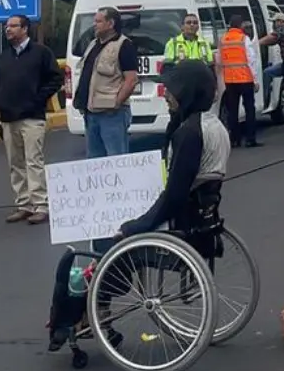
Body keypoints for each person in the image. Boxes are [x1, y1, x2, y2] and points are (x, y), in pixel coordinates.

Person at [47, 59, 230, 352]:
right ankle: (90, 311)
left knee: (109, 243)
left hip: (182, 230)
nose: (164, 94)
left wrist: (137, 226)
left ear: (186, 91)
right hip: (202, 222)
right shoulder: (212, 125)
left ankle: (91, 313)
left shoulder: (190, 134)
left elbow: (173, 197)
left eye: (170, 89)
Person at [0, 16, 64, 225]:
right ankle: (24, 204)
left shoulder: (41, 53)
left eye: (13, 26)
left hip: (32, 117)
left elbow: (55, 79)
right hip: (8, 118)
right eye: (6, 26)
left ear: (25, 28)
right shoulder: (4, 56)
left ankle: (41, 205)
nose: (8, 30)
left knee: (33, 161)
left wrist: (36, 100)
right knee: (15, 163)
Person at [72, 7, 139, 158]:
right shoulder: (93, 44)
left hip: (111, 115)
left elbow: (131, 79)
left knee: (116, 158)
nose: (95, 24)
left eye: (98, 21)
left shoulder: (124, 45)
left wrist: (116, 103)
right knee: (95, 162)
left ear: (111, 23)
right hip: (91, 113)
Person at [218, 15, 261, 148]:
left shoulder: (223, 39)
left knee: (232, 111)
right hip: (245, 78)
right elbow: (251, 60)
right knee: (249, 109)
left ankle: (234, 139)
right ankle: (250, 139)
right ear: (240, 25)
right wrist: (255, 79)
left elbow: (220, 59)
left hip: (230, 80)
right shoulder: (244, 39)